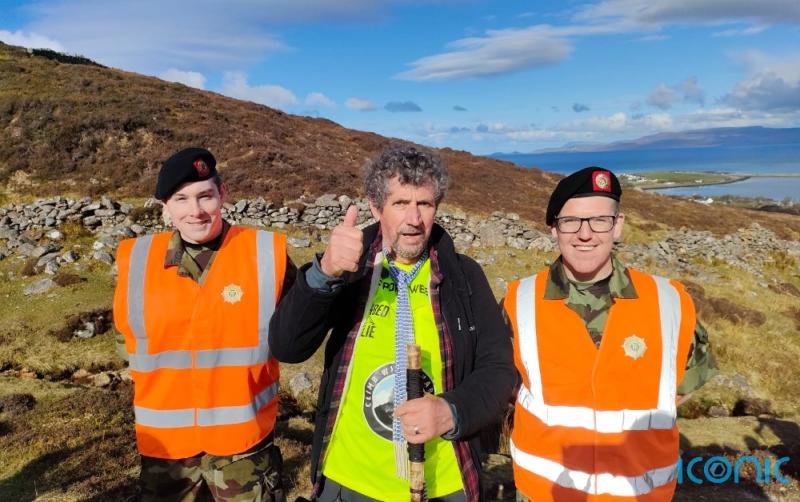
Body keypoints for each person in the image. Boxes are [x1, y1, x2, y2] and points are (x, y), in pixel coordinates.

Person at [268, 145, 515, 501]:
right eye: (400, 203)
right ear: (375, 207)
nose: (414, 219)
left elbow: (498, 369)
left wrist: (451, 411)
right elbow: (287, 346)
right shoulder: (351, 271)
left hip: (443, 485)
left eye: (425, 204)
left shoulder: (464, 278)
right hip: (348, 482)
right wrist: (323, 275)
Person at [504, 167, 718, 502]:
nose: (585, 234)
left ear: (617, 225)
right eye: (571, 221)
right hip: (544, 494)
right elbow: (501, 383)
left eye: (599, 220)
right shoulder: (518, 302)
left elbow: (686, 383)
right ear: (553, 229)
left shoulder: (671, 301)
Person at [113, 147, 292, 501]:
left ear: (222, 195)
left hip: (245, 449)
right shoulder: (135, 259)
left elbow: (299, 333)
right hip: (166, 453)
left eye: (205, 196)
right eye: (180, 199)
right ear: (164, 206)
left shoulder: (265, 253)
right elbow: (127, 339)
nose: (195, 211)